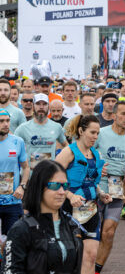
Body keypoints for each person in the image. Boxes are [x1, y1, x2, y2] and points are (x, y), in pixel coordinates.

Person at [2, 160, 84, 273]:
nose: (62, 191)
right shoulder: (21, 229)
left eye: (65, 186)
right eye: (55, 185)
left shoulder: (72, 225)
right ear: (39, 186)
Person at [55, 114, 112, 274]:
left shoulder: (95, 154)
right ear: (81, 131)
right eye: (92, 133)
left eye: (97, 133)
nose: (95, 137)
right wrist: (70, 196)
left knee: (91, 255)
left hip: (90, 210)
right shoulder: (68, 152)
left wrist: (101, 194)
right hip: (68, 210)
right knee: (69, 255)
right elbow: (52, 180)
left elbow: (92, 181)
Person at [93, 101, 125, 274]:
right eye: (123, 114)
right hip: (97, 188)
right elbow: (86, 153)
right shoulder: (101, 134)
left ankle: (97, 269)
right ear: (114, 116)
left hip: (117, 190)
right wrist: (97, 168)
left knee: (109, 233)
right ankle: (85, 263)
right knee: (92, 232)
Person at [15, 93, 68, 169]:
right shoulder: (23, 128)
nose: (41, 107)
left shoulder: (56, 127)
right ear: (33, 106)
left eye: (44, 104)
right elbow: (13, 147)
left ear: (48, 107)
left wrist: (60, 161)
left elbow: (66, 145)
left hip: (49, 175)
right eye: (38, 104)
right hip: (30, 176)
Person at [0, 108, 29, 237]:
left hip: (12, 201)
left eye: (7, 121)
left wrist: (22, 186)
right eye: (1, 121)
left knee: (11, 241)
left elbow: (26, 167)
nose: (6, 124)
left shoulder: (18, 141)